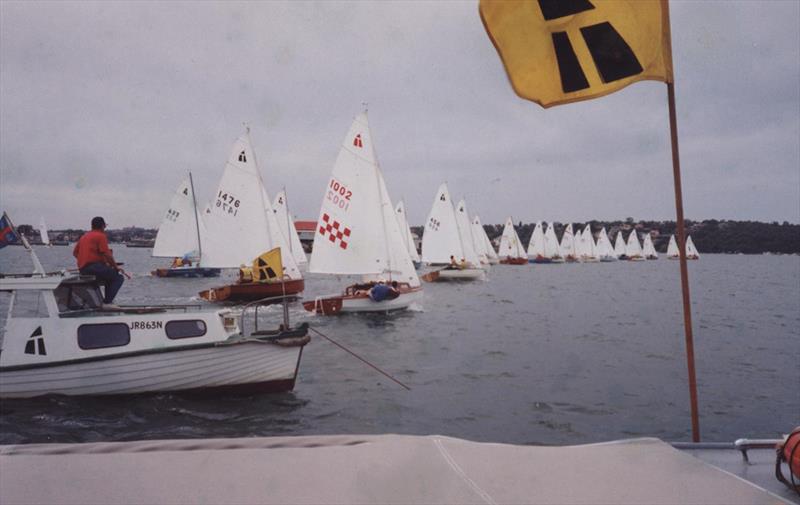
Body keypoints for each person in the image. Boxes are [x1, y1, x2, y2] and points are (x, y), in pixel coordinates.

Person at [73, 217, 124, 306]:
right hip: (94, 267)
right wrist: (116, 267)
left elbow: (75, 253)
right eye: (104, 226)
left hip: (83, 269)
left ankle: (103, 302)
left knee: (109, 276)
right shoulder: (100, 236)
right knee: (118, 278)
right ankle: (107, 303)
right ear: (102, 226)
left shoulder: (84, 236)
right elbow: (107, 254)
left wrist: (84, 259)